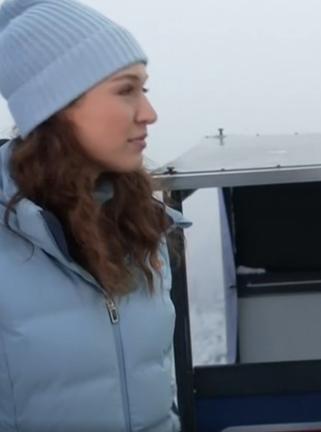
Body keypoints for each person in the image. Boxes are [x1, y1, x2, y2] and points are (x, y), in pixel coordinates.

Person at [0, 0, 189, 430]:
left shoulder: (144, 227)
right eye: (126, 90)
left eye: (145, 89)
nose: (149, 113)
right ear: (55, 106)